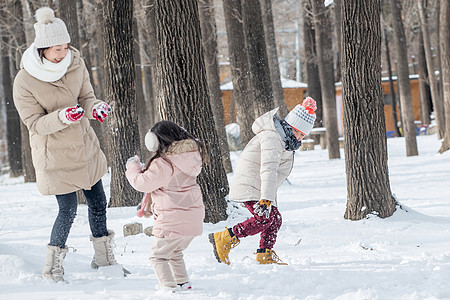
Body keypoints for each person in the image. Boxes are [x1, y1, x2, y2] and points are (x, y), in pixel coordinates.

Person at [13, 7, 120, 282]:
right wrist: (62, 116)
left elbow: (86, 96)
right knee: (68, 209)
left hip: (84, 147)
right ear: (42, 49)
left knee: (98, 201)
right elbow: (35, 124)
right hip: (55, 154)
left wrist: (94, 108)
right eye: (56, 49)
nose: (63, 53)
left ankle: (105, 259)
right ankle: (53, 267)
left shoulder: (75, 63)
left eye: (65, 46)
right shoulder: (25, 80)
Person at [209, 97, 317, 265]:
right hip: (251, 184)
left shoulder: (284, 141)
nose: (301, 139)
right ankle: (224, 238)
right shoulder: (273, 138)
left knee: (275, 219)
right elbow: (269, 168)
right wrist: (266, 199)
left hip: (260, 186)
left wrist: (268, 196)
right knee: (264, 218)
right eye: (300, 133)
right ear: (291, 128)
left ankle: (264, 253)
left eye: (304, 135)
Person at [125, 120, 207, 291]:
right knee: (175, 252)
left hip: (172, 219)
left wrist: (133, 167)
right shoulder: (192, 155)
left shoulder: (164, 163)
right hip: (193, 218)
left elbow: (142, 183)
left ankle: (168, 288)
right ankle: (183, 282)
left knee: (158, 257)